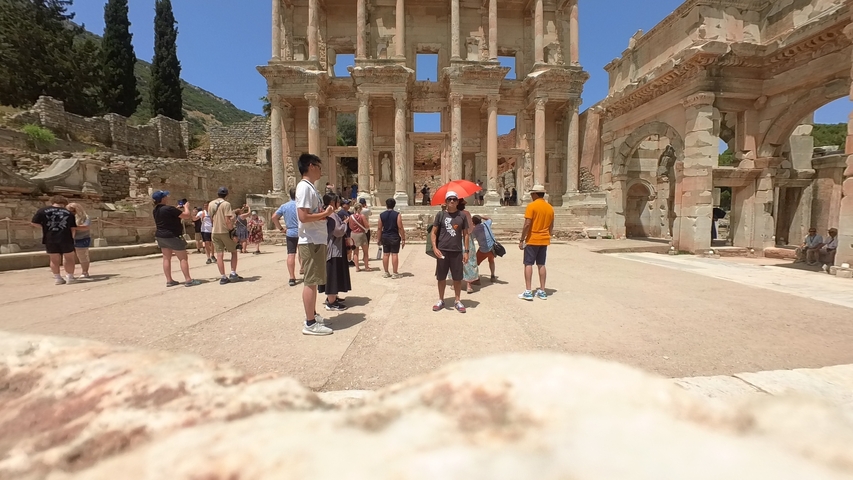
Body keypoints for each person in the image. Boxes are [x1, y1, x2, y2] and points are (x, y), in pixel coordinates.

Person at [296, 153, 336, 336]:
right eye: (319, 167)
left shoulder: (310, 188)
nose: (321, 171)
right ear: (311, 166)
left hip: (315, 239)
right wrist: (325, 214)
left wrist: (321, 212)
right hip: (311, 240)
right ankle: (310, 323)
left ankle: (312, 314)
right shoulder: (304, 188)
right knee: (311, 282)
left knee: (314, 280)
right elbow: (303, 217)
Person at [431, 191, 470, 313]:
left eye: (454, 199)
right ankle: (441, 299)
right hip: (442, 250)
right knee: (441, 277)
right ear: (446, 202)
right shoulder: (440, 215)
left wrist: (466, 251)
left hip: (457, 250)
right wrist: (434, 247)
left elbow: (466, 234)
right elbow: (434, 232)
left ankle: (457, 300)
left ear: (458, 201)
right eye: (449, 199)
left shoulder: (462, 216)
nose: (452, 201)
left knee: (457, 278)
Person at [151, 191, 201, 287]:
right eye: (166, 196)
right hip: (172, 235)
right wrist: (186, 207)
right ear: (163, 198)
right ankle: (188, 279)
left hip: (161, 236)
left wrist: (177, 209)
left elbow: (170, 217)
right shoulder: (169, 208)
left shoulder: (156, 210)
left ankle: (169, 280)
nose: (167, 197)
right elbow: (186, 215)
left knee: (166, 258)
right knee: (183, 258)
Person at [518, 185, 554, 301]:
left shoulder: (531, 206)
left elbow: (527, 224)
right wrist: (548, 235)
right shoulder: (550, 208)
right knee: (541, 264)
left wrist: (522, 239)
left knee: (528, 264)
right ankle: (542, 291)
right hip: (544, 239)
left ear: (535, 194)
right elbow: (551, 226)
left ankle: (528, 291)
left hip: (533, 239)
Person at [31, 195, 77, 285]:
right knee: (69, 258)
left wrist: (45, 227)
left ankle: (58, 278)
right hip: (65, 237)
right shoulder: (69, 213)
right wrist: (72, 238)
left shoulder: (42, 211)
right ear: (64, 203)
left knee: (54, 259)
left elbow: (34, 223)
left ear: (52, 202)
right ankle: (70, 277)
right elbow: (72, 228)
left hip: (50, 237)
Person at [319, 193, 351, 312]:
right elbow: (338, 231)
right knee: (332, 273)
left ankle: (333, 297)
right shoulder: (331, 215)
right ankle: (331, 302)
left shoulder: (330, 214)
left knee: (335, 273)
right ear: (332, 202)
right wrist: (345, 223)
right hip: (333, 249)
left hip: (335, 247)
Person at [209, 186, 242, 285]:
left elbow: (211, 219)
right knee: (233, 251)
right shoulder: (226, 204)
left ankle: (223, 277)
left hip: (215, 231)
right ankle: (233, 273)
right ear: (227, 194)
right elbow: (227, 220)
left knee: (219, 255)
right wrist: (233, 232)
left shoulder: (211, 204)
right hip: (225, 231)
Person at [272, 188, 301, 287]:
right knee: (302, 252)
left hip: (290, 232)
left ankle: (292, 277)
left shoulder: (284, 206)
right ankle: (303, 268)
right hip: (301, 231)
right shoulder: (301, 205)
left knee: (291, 254)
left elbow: (274, 217)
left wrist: (281, 229)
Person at [377, 198, 405, 278]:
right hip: (394, 236)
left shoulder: (381, 215)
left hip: (385, 236)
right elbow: (400, 227)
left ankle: (386, 272)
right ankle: (395, 273)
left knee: (386, 254)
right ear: (394, 205)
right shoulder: (397, 214)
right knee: (394, 254)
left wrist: (378, 238)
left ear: (386, 205)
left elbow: (379, 228)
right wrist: (403, 238)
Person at [457, 198, 479, 293]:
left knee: (456, 260)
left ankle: (456, 283)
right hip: (466, 239)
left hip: (456, 239)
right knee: (469, 260)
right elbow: (470, 229)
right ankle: (468, 285)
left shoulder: (454, 214)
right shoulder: (466, 213)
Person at [66, 202, 91, 279]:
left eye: (73, 210)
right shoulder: (66, 217)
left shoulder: (85, 217)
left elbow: (86, 227)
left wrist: (74, 227)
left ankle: (85, 272)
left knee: (82, 256)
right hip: (68, 239)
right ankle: (69, 273)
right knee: (67, 257)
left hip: (82, 238)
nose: (71, 212)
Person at [471, 215, 497, 282]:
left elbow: (471, 238)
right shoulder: (486, 224)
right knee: (491, 261)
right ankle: (492, 275)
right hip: (492, 248)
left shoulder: (474, 230)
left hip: (483, 250)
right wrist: (481, 216)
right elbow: (490, 218)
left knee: (475, 263)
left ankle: (476, 279)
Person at [347, 203, 372, 272]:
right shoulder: (362, 216)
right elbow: (367, 226)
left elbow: (350, 226)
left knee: (355, 252)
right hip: (361, 234)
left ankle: (357, 268)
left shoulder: (351, 216)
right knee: (365, 252)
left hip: (353, 234)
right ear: (361, 209)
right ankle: (366, 267)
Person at [337, 199, 354, 265]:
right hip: (345, 232)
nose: (349, 205)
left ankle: (349, 260)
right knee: (347, 247)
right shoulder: (341, 213)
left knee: (349, 247)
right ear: (343, 205)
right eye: (347, 204)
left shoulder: (348, 212)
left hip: (349, 231)